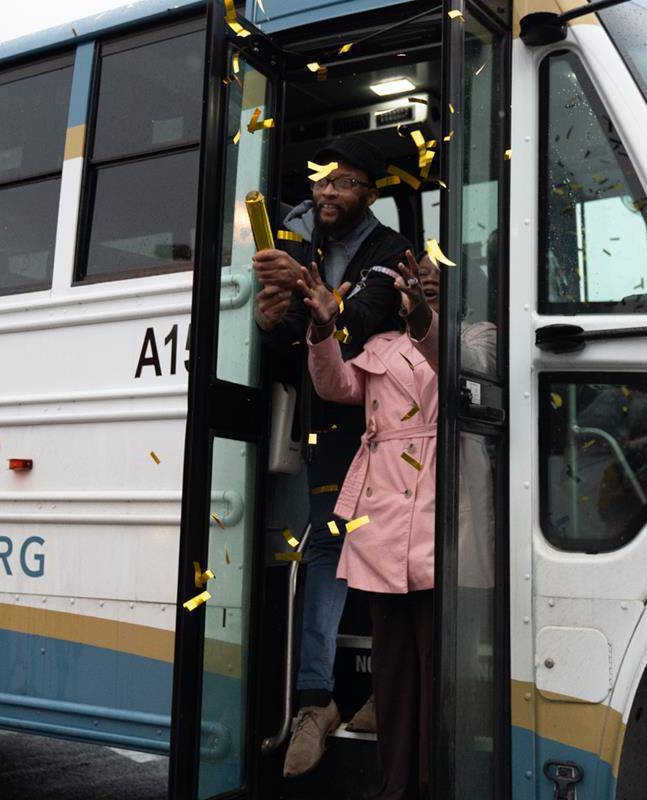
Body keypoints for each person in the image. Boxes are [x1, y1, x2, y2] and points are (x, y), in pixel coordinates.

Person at [252, 135, 411, 777]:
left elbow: (366, 320)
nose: (326, 192)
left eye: (343, 183)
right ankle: (315, 702)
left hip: (388, 429)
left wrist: (313, 299)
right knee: (326, 547)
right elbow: (298, 337)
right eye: (321, 182)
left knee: (384, 549)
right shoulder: (306, 249)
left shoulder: (390, 251)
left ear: (370, 194)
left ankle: (384, 694)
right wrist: (272, 320)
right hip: (328, 425)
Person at [299, 250, 438, 800]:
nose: (421, 279)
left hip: (436, 506)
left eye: (433, 272)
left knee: (436, 671)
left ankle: (432, 780)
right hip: (380, 515)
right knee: (392, 672)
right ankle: (393, 785)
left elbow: (455, 370)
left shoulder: (478, 334)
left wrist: (425, 317)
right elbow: (335, 387)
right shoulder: (379, 346)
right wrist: (324, 326)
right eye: (415, 273)